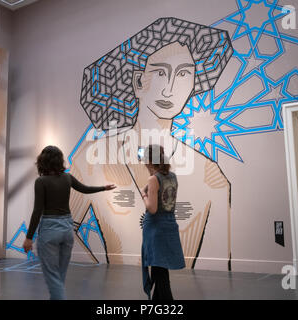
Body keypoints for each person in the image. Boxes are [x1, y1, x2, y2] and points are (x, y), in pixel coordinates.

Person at [70, 18, 234, 270]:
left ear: (193, 83)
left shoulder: (210, 176)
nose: (169, 89)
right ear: (138, 82)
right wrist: (104, 275)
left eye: (183, 74)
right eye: (160, 72)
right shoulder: (92, 157)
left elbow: (220, 266)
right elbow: (66, 227)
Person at [22, 145, 116, 300]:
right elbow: (85, 189)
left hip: (50, 231)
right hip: (67, 230)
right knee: (59, 278)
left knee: (53, 278)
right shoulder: (67, 178)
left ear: (42, 162)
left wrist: (29, 237)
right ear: (59, 161)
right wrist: (103, 188)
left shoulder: (41, 181)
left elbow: (37, 211)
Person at [140, 144, 185, 300]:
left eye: (145, 159)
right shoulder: (172, 176)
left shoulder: (153, 179)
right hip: (169, 226)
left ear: (150, 161)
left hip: (155, 229)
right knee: (160, 271)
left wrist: (144, 196)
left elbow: (152, 208)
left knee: (160, 275)